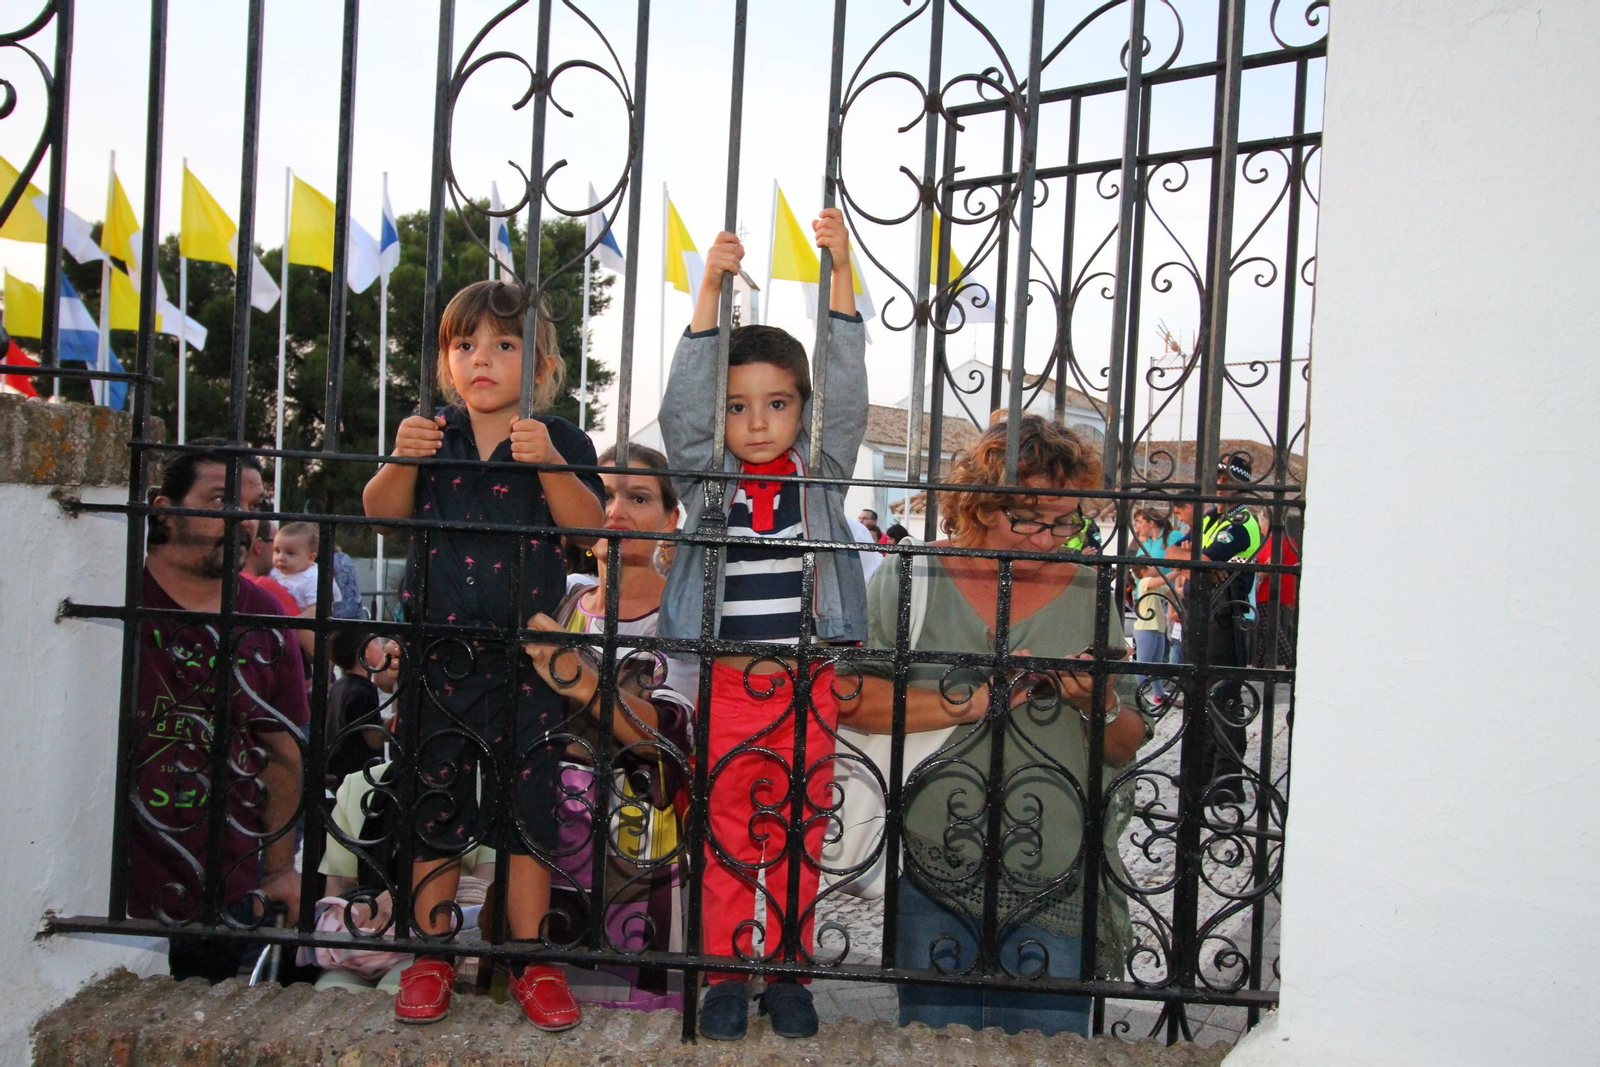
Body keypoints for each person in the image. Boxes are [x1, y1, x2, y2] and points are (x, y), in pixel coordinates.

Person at [839, 414, 1146, 1038]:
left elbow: (1123, 745)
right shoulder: (910, 576)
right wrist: (966, 704)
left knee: (1049, 1049)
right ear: (978, 507)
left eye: (1064, 521)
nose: (1046, 538)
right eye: (1027, 518)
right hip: (928, 862)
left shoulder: (1090, 588)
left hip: (1056, 868)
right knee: (933, 1045)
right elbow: (849, 699)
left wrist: (1098, 703)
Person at [362, 279, 605, 1030]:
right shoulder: (432, 433)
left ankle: (528, 959)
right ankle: (431, 953)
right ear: (446, 359)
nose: (483, 359)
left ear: (541, 366)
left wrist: (551, 467)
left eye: (505, 345)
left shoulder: (558, 437)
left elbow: (591, 527)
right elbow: (379, 510)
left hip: (528, 665)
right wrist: (403, 457)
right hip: (439, 661)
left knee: (527, 814)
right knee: (435, 805)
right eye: (465, 345)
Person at [658, 206, 867, 1041]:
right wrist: (710, 286)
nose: (755, 421)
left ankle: (787, 971)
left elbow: (847, 398)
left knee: (797, 833)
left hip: (806, 686)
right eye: (738, 406)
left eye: (776, 403)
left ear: (799, 410)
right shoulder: (707, 488)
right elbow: (681, 412)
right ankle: (719, 975)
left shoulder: (821, 480)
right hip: (727, 687)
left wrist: (842, 276)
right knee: (720, 837)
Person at [518, 443, 694, 1012]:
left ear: (671, 519)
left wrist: (574, 674)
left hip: (642, 878)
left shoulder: (687, 619)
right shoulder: (554, 597)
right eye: (602, 494)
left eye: (638, 497)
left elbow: (667, 742)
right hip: (539, 861)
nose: (614, 510)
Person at [132, 440, 309, 981]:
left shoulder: (263, 611)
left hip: (224, 885)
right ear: (163, 509)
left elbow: (281, 750)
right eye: (220, 500)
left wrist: (279, 871)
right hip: (116, 877)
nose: (242, 521)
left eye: (255, 509)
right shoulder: (113, 594)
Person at [1171, 452, 1263, 806]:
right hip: (1201, 613)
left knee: (1223, 698)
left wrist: (1198, 563)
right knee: (1199, 696)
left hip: (1228, 617)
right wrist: (1195, 564)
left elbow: (1199, 560)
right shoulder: (1211, 519)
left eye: (1224, 481)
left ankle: (1228, 780)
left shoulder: (1242, 522)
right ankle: (1201, 770)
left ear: (1239, 487)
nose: (1218, 487)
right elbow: (1171, 551)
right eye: (1216, 479)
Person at [322, 631, 395, 790]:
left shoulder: (341, 685)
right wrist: (398, 717)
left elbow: (359, 722)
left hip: (338, 771)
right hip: (358, 777)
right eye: (375, 642)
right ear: (364, 653)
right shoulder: (362, 691)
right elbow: (374, 739)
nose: (382, 647)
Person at [271, 521, 341, 612]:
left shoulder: (314, 578)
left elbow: (317, 610)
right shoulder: (274, 572)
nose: (280, 558)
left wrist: (292, 625)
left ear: (310, 558)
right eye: (277, 551)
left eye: (290, 553)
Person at [240, 517, 298, 614]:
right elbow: (302, 628)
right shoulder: (266, 586)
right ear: (258, 545)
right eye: (277, 546)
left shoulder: (226, 582)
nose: (281, 556)